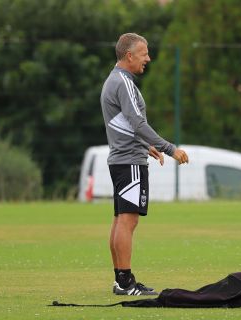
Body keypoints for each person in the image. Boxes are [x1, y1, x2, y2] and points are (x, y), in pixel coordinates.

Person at [100, 33, 189, 296]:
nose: (147, 58)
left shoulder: (113, 80)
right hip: (129, 163)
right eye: (144, 53)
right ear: (129, 56)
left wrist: (144, 146)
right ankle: (126, 282)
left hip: (122, 159)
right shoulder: (123, 82)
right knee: (128, 222)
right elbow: (137, 123)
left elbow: (124, 126)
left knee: (120, 221)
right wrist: (169, 148)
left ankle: (120, 280)